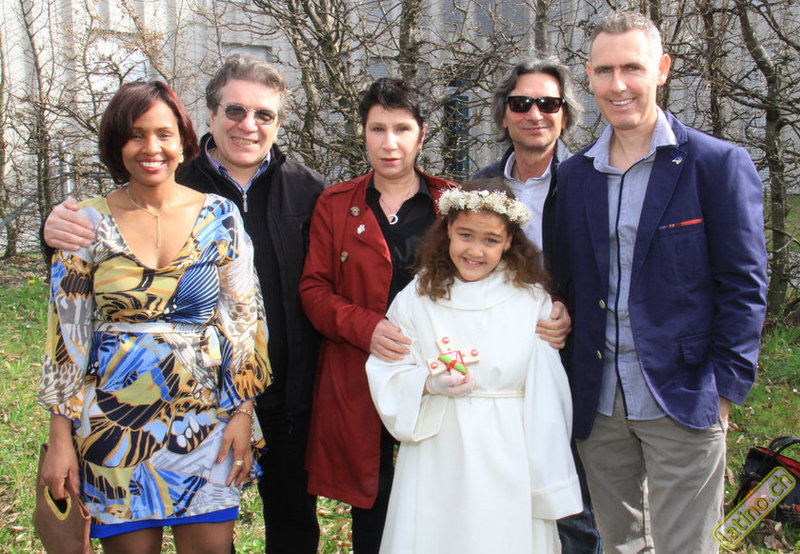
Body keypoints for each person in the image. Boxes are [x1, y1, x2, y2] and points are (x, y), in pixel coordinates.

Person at [42, 54, 326, 553]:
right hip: (113, 425)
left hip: (209, 419)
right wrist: (60, 439)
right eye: (135, 135)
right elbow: (68, 338)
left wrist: (242, 412)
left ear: (181, 140)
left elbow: (243, 321)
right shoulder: (87, 223)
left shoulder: (233, 213)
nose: (151, 147)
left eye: (164, 134)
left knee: (234, 542)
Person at [551, 11, 768, 553]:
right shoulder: (574, 177)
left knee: (686, 546)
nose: (618, 84)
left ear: (663, 69)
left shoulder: (715, 164)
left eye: (632, 68)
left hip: (684, 392)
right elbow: (567, 283)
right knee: (621, 544)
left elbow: (744, 285)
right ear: (589, 77)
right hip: (600, 402)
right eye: (604, 70)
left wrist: (724, 388)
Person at [366, 180, 582, 553]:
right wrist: (427, 384)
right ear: (447, 229)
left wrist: (547, 477)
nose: (475, 251)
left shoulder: (531, 301)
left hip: (509, 451)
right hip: (437, 452)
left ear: (509, 241)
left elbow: (549, 398)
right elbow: (387, 368)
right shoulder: (417, 297)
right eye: (465, 235)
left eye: (491, 240)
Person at [473, 58, 601, 553]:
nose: (534, 113)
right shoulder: (481, 186)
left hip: (574, 355)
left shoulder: (591, 179)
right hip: (500, 360)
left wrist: (566, 306)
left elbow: (606, 269)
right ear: (504, 114)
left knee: (572, 498)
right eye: (520, 103)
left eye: (548, 103)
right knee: (505, 490)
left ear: (564, 115)